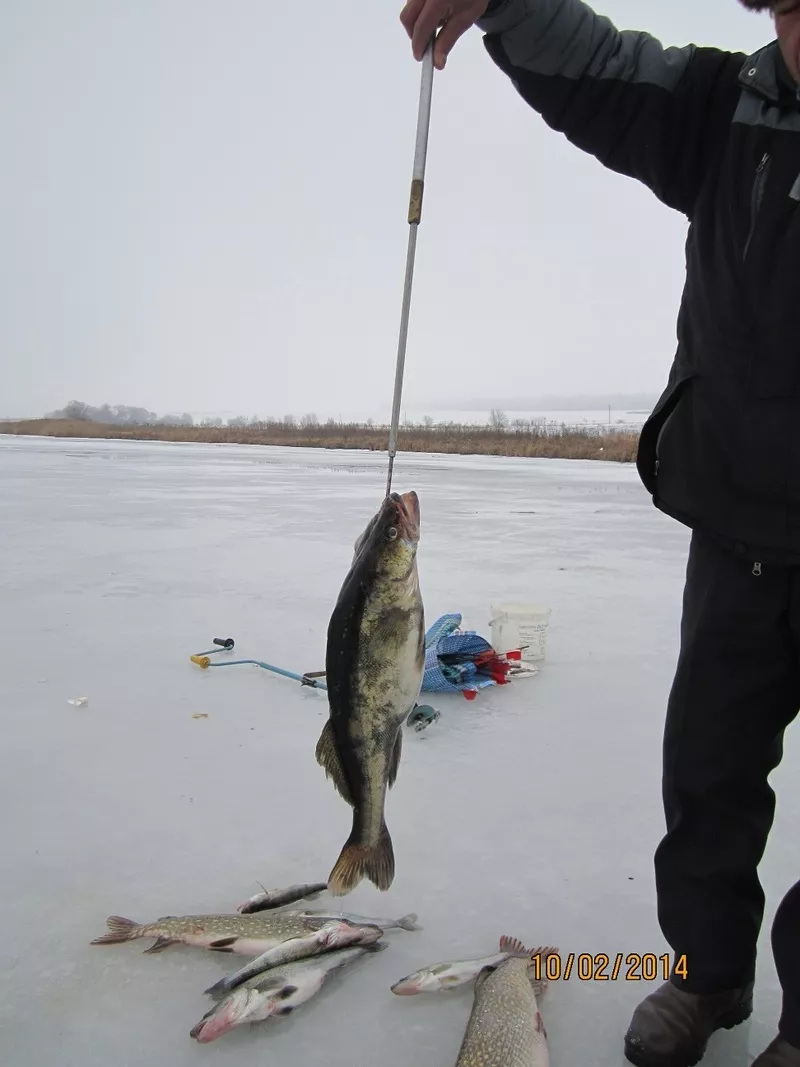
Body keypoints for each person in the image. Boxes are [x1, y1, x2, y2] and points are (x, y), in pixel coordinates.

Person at [398, 1, 800, 1065]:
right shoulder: (728, 109)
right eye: (796, 10)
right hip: (736, 523)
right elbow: (603, 65)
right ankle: (704, 976)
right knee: (706, 776)